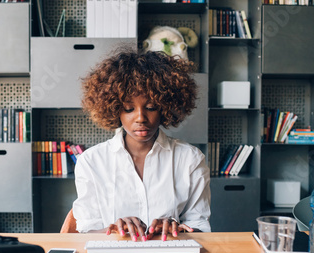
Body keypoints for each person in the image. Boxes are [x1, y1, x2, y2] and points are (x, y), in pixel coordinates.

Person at [72, 48, 211, 241]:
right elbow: (86, 231)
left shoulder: (190, 159)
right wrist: (114, 230)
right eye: (129, 109)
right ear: (114, 109)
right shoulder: (91, 162)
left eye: (151, 107)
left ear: (166, 107)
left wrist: (176, 228)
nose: (140, 118)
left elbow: (200, 226)